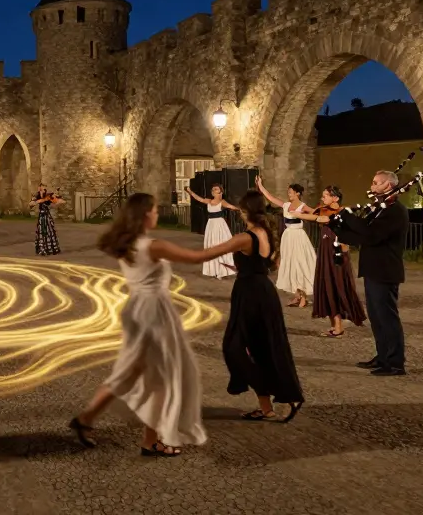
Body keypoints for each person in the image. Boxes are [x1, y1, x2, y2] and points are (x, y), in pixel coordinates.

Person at [70, 192, 235, 456]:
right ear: (145, 214)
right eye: (156, 210)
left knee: (137, 373)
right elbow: (195, 257)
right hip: (153, 313)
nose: (158, 214)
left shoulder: (127, 243)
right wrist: (233, 244)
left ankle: (89, 420)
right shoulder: (152, 246)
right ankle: (147, 439)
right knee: (159, 377)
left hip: (137, 309)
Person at [216, 190, 306, 421]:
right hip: (262, 290)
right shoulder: (266, 231)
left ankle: (275, 392)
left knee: (234, 347)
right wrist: (244, 269)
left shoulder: (246, 237)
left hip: (250, 294)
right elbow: (267, 265)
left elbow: (207, 253)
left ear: (244, 211)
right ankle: (268, 406)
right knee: (263, 348)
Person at [330, 170, 408, 376]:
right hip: (373, 269)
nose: (372, 187)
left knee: (387, 317)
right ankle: (382, 356)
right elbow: (362, 235)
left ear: (388, 186)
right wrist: (339, 229)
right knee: (376, 317)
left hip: (385, 270)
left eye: (376, 183)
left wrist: (347, 214)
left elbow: (371, 234)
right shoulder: (380, 208)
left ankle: (395, 362)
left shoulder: (395, 211)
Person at [288, 185, 367, 338]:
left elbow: (350, 236)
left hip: (336, 255)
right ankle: (335, 325)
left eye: (326, 195)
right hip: (325, 252)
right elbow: (311, 215)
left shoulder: (344, 214)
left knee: (337, 286)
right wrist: (301, 214)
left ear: (335, 198)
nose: (322, 198)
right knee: (327, 286)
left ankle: (340, 325)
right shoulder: (322, 210)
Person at [256, 177, 316, 308]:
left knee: (300, 263)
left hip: (299, 237)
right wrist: (260, 186)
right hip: (288, 237)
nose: (288, 194)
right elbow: (270, 198)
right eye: (288, 192)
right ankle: (297, 294)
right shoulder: (286, 205)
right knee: (291, 264)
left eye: (290, 192)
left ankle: (303, 296)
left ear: (297, 193)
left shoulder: (302, 206)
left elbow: (315, 213)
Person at [185, 184, 238, 279]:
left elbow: (232, 207)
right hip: (211, 225)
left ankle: (222, 271)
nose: (213, 190)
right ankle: (214, 270)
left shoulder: (222, 202)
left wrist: (244, 210)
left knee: (220, 245)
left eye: (216, 189)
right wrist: (190, 191)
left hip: (220, 225)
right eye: (213, 189)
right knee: (211, 246)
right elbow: (198, 199)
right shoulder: (209, 201)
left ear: (220, 192)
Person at [31, 184, 63, 256]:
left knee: (49, 231)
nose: (40, 188)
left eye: (42, 187)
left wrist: (55, 198)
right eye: (40, 187)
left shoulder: (48, 196)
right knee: (41, 232)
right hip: (41, 216)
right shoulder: (38, 195)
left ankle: (50, 249)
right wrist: (40, 201)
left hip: (46, 216)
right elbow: (32, 203)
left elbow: (58, 201)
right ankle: (42, 249)